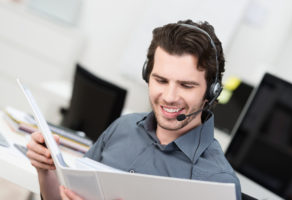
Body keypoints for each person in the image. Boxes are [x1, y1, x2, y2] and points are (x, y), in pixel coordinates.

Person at [26, 19, 241, 200]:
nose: (169, 96)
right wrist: (45, 171)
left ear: (212, 91)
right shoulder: (123, 127)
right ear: (148, 75)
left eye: (186, 85)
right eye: (161, 80)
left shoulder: (217, 182)